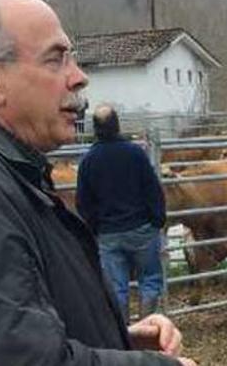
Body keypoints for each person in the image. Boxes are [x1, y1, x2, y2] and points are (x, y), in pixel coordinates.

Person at [0, 0, 194, 366]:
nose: (79, 78)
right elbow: (21, 360)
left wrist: (117, 340)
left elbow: (2, 337)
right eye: (56, 59)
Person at [77, 105, 167, 317]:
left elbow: (83, 201)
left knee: (117, 287)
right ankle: (148, 327)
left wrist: (95, 227)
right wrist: (157, 220)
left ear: (95, 129)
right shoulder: (135, 153)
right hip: (141, 229)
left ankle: (124, 335)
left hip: (109, 233)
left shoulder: (89, 160)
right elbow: (152, 188)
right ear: (117, 125)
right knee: (150, 280)